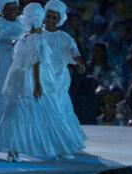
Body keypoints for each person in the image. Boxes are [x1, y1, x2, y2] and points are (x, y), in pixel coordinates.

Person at [0, 2, 76, 162]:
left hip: (17, 80)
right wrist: (37, 84)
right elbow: (35, 62)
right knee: (45, 113)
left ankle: (14, 149)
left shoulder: (23, 37)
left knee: (17, 114)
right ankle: (55, 147)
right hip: (30, 80)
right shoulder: (36, 38)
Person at [43, 0, 86, 159]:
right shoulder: (37, 34)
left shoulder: (64, 37)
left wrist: (80, 64)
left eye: (54, 18)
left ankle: (61, 143)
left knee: (59, 109)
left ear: (59, 20)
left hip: (59, 79)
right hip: (40, 78)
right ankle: (45, 143)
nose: (50, 20)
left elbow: (75, 54)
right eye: (48, 16)